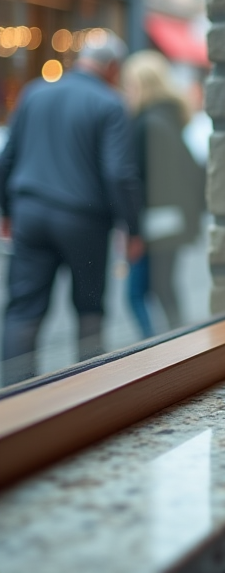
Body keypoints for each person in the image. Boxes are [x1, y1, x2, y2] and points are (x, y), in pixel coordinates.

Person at [0, 32, 142, 385]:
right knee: (89, 308)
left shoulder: (34, 92)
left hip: (30, 214)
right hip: (84, 222)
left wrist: (6, 212)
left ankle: (15, 393)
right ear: (112, 67)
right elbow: (118, 173)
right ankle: (87, 389)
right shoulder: (110, 103)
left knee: (23, 309)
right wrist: (133, 228)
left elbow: (7, 159)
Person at [122, 50, 206, 336]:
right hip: (174, 220)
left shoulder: (147, 123)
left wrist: (133, 229)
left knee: (136, 293)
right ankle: (177, 340)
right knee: (164, 289)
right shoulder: (170, 118)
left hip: (154, 223)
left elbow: (141, 180)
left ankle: (153, 347)